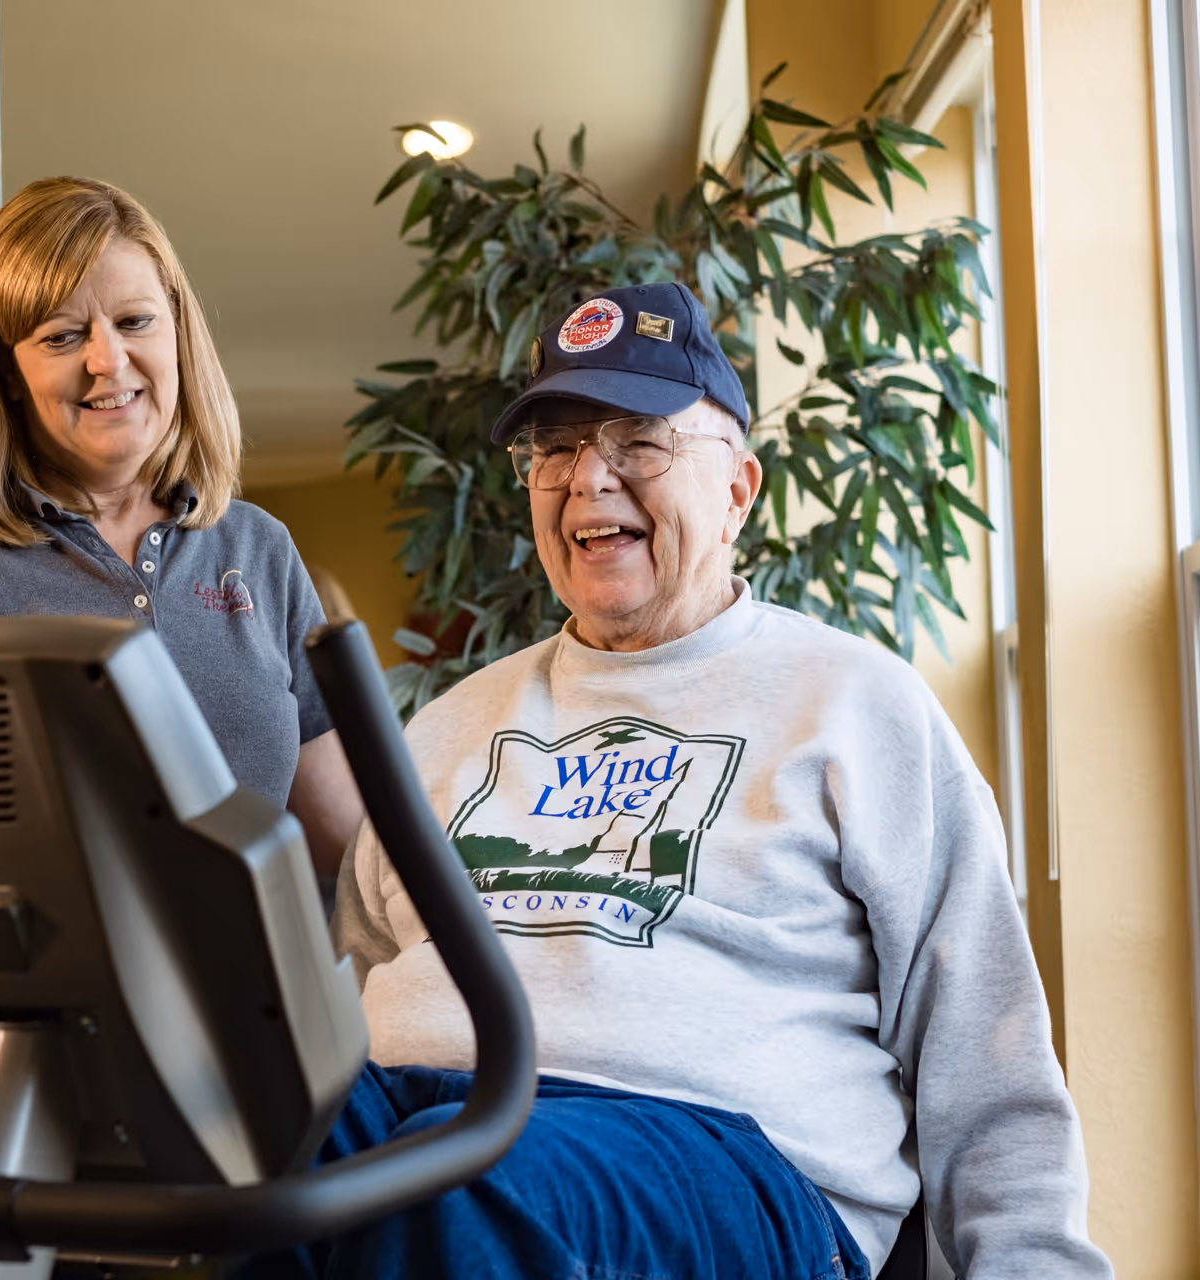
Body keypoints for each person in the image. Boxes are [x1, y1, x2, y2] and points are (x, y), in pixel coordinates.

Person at [239, 281, 1112, 1279]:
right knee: (251, 1140)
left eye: (639, 441)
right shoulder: (445, 728)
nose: (587, 478)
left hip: (721, 1156)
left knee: (454, 1186)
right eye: (556, 448)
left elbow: (984, 1045)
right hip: (424, 1111)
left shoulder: (858, 706)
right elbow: (349, 984)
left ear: (739, 488)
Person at [0, 176, 363, 1280]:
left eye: (134, 320)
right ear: (5, 369)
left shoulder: (258, 552)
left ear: (178, 332)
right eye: (62, 335)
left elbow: (352, 853)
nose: (109, 362)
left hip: (237, 1111)